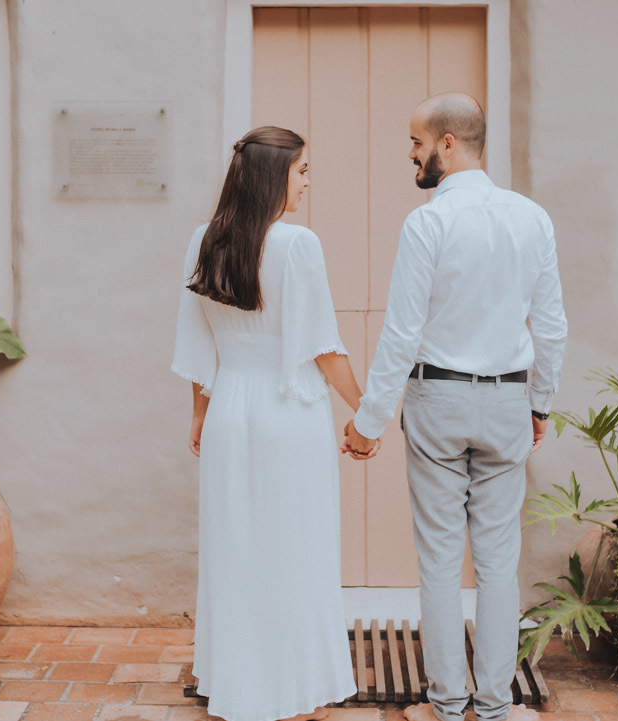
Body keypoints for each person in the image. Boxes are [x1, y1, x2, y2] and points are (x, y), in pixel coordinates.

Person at [342, 93, 568, 721]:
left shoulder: (427, 223)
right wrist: (540, 403)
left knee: (440, 560)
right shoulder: (532, 218)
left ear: (447, 143)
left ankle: (446, 705)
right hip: (508, 402)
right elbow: (551, 327)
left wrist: (369, 422)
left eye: (417, 143)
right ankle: (495, 706)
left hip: (438, 400)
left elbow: (401, 333)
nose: (411, 156)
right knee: (498, 562)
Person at [172, 126, 370, 721]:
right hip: (289, 413)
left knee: (235, 549)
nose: (308, 183)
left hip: (232, 406)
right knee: (295, 548)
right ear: (273, 176)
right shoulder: (297, 245)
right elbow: (324, 349)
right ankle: (289, 687)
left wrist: (201, 415)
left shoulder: (202, 243)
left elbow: (197, 344)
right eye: (303, 171)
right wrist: (367, 413)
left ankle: (238, 679)